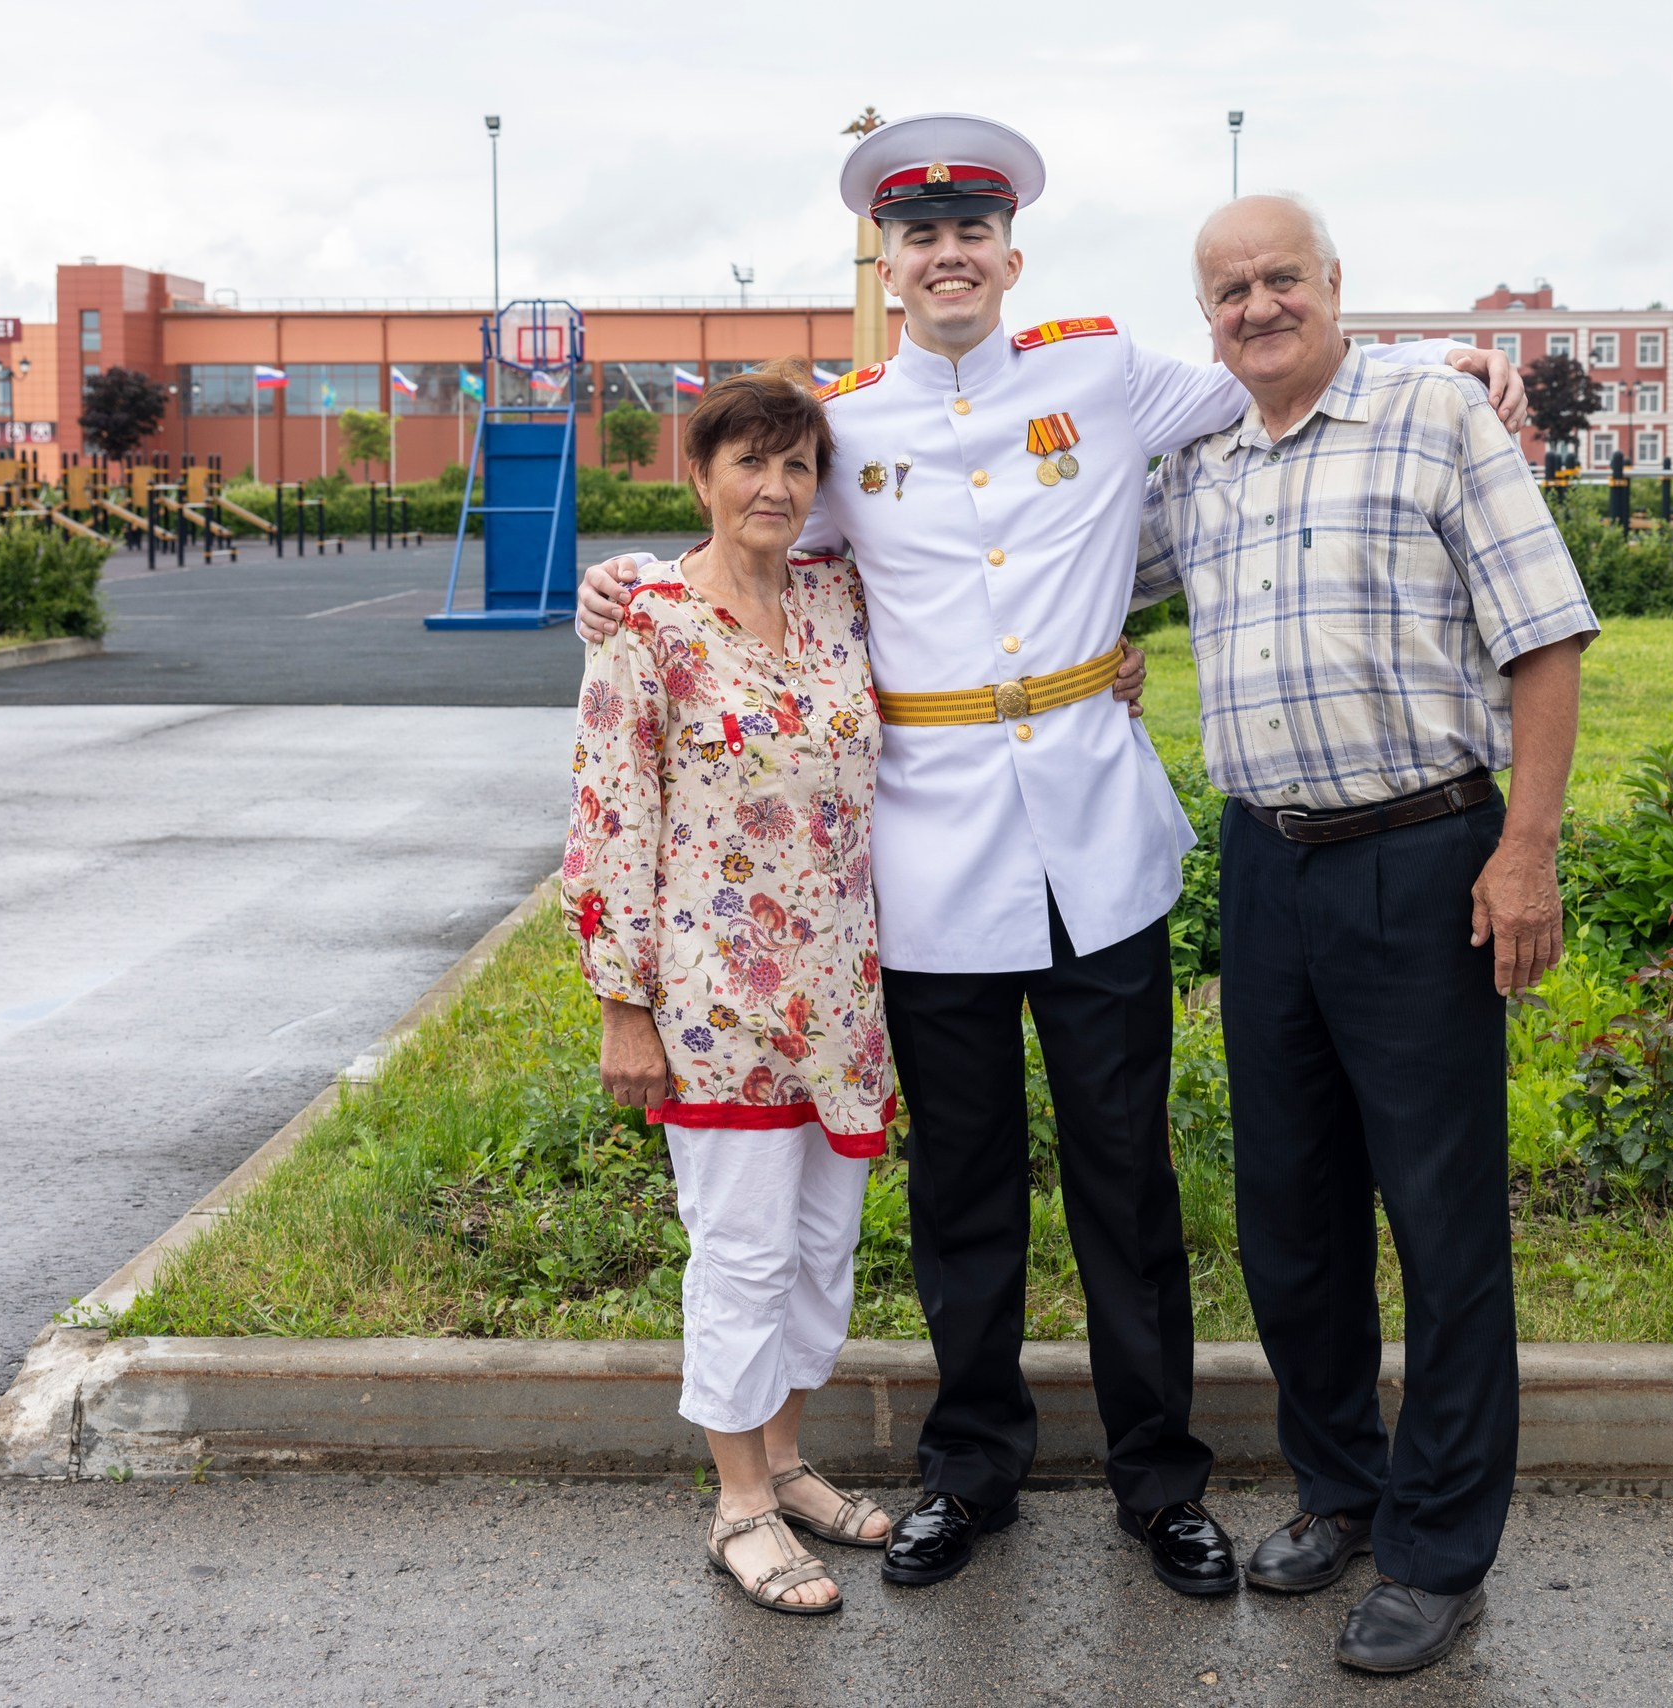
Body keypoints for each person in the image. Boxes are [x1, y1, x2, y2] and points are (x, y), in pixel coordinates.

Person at [576, 112, 1527, 1601]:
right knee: (963, 1191)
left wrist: (1450, 369)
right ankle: (973, 1468)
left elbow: (1275, 372)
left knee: (1125, 1185)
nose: (947, 257)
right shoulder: (849, 424)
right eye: (919, 238)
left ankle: (1161, 1483)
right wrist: (624, 583)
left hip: (1097, 848)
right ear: (886, 269)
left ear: (1012, 257)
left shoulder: (1102, 373)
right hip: (934, 864)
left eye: (972, 235)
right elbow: (746, 531)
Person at [1131, 193, 1596, 1674]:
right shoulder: (1196, 457)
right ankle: (1343, 1487)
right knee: (1290, 1209)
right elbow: (1041, 570)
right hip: (1267, 870)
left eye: (1281, 280)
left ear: (1336, 287)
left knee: (1441, 1218)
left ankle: (1440, 1547)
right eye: (1227, 291)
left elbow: (1545, 634)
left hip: (1425, 857)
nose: (1256, 307)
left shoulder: (1429, 417)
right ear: (1202, 316)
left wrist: (1526, 854)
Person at [563, 366, 899, 1615]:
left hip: (843, 995)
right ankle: (739, 1505)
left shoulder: (835, 596)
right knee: (743, 1253)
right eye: (748, 462)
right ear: (699, 478)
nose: (776, 486)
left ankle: (790, 1459)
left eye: (797, 464)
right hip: (716, 1004)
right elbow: (608, 824)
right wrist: (623, 1003)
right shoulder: (648, 625)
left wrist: (1111, 672)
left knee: (820, 1252)